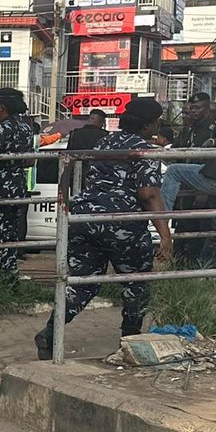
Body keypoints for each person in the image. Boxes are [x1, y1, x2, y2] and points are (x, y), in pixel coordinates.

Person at [35, 96, 174, 357]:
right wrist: (165, 235)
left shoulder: (105, 141)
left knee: (81, 283)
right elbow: (149, 194)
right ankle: (129, 345)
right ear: (148, 125)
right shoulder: (145, 149)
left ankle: (50, 333)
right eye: (156, 122)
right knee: (136, 285)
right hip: (121, 221)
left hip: (85, 217)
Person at [0, 87, 39, 280]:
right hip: (18, 186)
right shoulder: (26, 127)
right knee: (11, 234)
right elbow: (30, 161)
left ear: (2, 107)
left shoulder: (3, 127)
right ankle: (9, 274)